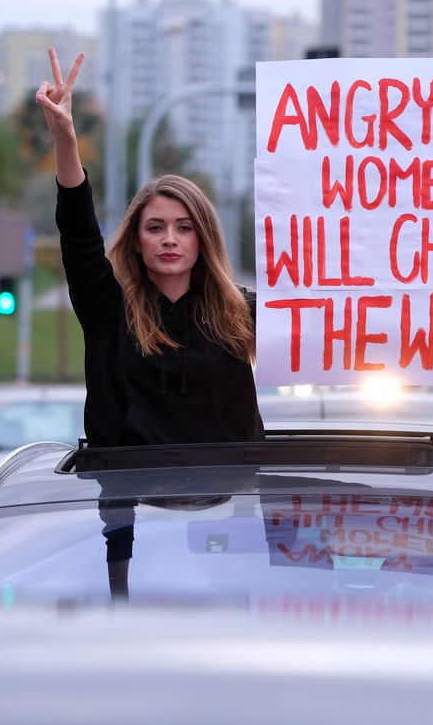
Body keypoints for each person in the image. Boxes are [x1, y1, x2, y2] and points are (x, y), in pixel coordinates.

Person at [36, 48, 264, 447]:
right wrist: (66, 140)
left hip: (231, 500)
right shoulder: (107, 309)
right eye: (156, 227)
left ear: (204, 238)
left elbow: (326, 316)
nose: (170, 238)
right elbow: (79, 233)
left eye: (185, 227)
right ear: (137, 242)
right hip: (127, 495)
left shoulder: (241, 312)